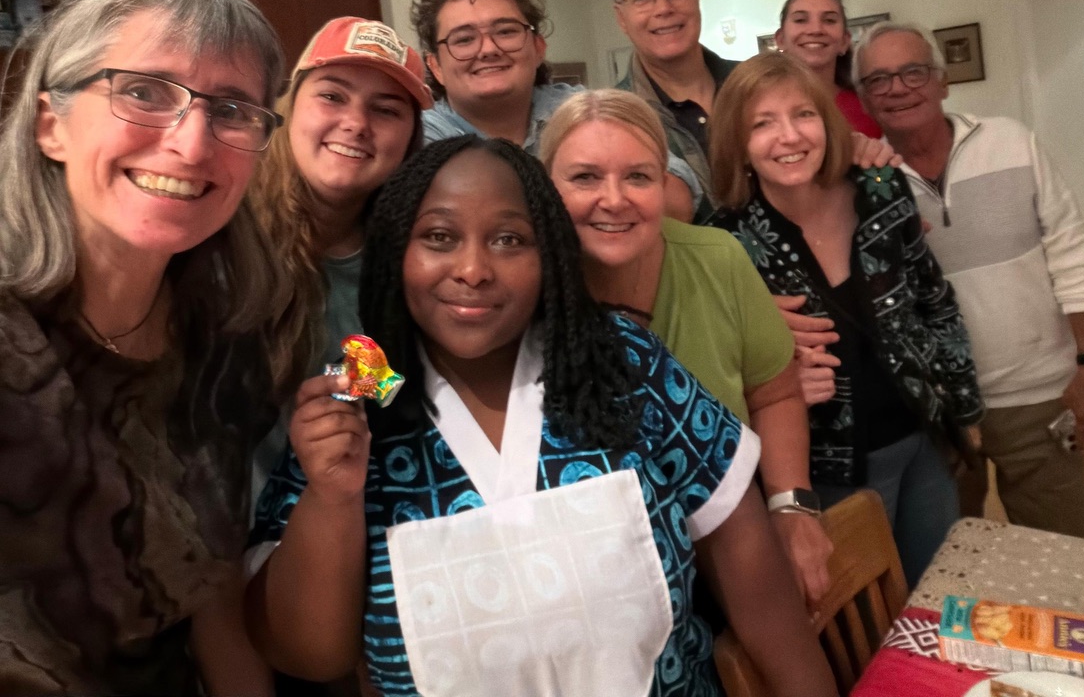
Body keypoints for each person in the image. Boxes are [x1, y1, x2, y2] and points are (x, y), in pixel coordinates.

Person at [246, 136, 837, 696]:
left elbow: (756, 580)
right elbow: (309, 656)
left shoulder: (622, 363)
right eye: (439, 237)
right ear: (396, 250)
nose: (474, 269)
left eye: (509, 240)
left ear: (549, 254)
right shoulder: (364, 393)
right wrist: (331, 497)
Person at [0, 0, 301, 695]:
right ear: (51, 124)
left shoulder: (225, 349)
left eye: (231, 108)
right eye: (143, 91)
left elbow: (213, 598)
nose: (192, 144)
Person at [540, 88, 834, 610]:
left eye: (638, 176)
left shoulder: (717, 259)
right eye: (585, 177)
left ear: (664, 184)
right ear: (545, 188)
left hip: (734, 560)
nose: (614, 198)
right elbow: (393, 368)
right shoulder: (522, 287)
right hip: (603, 588)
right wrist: (346, 380)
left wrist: (793, 507)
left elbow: (775, 393)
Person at [704, 51, 984, 587]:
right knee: (860, 625)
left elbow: (933, 299)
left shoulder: (882, 189)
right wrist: (771, 378)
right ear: (736, 142)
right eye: (762, 123)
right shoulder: (723, 241)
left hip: (920, 437)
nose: (789, 136)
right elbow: (713, 366)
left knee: (940, 596)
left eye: (802, 115)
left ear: (827, 123)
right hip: (822, 469)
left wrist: (965, 407)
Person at [853, 21, 1084, 538]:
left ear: (943, 82)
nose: (898, 88)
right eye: (878, 80)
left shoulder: (1012, 143)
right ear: (863, 97)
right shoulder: (861, 183)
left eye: (913, 72)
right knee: (951, 566)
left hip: (1039, 398)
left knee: (1061, 555)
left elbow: (1074, 257)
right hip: (936, 413)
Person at [248, 16, 431, 504]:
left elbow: (387, 391)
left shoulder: (404, 258)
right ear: (288, 107)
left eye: (386, 109)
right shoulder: (222, 226)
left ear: (410, 139)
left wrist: (357, 388)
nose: (356, 123)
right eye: (332, 96)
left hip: (342, 522)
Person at [610, 0, 900, 218]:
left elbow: (824, 167)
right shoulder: (618, 123)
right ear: (621, 18)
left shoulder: (762, 85)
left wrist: (859, 157)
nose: (663, 8)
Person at [411, 0, 702, 220]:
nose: (488, 49)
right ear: (435, 66)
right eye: (464, 39)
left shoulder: (582, 109)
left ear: (539, 48)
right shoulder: (416, 140)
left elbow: (677, 197)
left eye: (506, 31)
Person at [774, 0, 882, 138]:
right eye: (800, 20)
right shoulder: (755, 105)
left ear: (845, 41)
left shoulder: (870, 108)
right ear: (780, 40)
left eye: (829, 20)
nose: (815, 30)